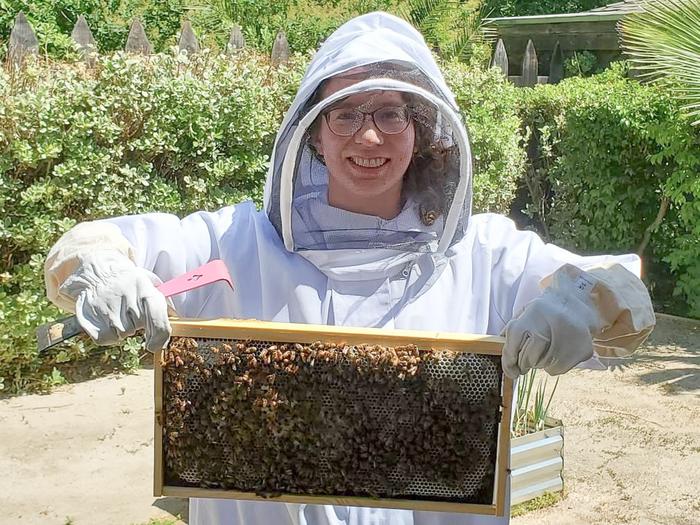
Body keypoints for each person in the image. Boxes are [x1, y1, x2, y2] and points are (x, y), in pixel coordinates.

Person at [44, 12, 655, 525]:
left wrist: (584, 299)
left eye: (392, 113)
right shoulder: (234, 241)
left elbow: (622, 298)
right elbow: (94, 244)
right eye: (345, 113)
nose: (369, 136)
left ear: (421, 129)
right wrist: (100, 270)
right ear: (313, 131)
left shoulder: (486, 253)